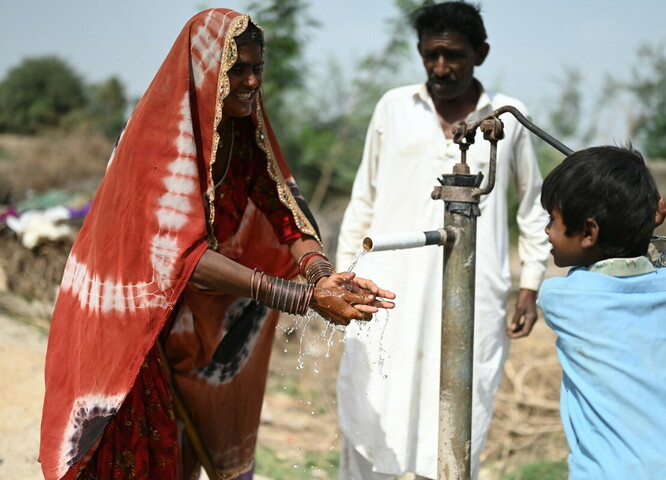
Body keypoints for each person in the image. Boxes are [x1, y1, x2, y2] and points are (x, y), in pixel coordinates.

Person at [39, 9, 394, 480]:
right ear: (208, 71)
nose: (250, 81)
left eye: (257, 69)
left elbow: (287, 215)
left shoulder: (245, 136)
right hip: (126, 326)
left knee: (180, 455)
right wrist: (303, 298)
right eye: (237, 70)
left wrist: (322, 275)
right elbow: (179, 258)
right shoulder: (157, 141)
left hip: (186, 326)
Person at [334, 2, 549, 478]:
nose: (441, 68)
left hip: (472, 296)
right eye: (431, 55)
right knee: (373, 407)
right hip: (385, 289)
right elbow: (363, 198)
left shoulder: (507, 119)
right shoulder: (393, 106)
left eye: (453, 55)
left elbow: (531, 206)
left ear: (480, 53)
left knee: (458, 412)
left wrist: (530, 284)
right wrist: (340, 274)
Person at [537, 145, 666, 479]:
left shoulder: (561, 296)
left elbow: (586, 281)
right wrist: (642, 229)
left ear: (589, 232)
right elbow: (654, 271)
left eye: (553, 220)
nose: (547, 230)